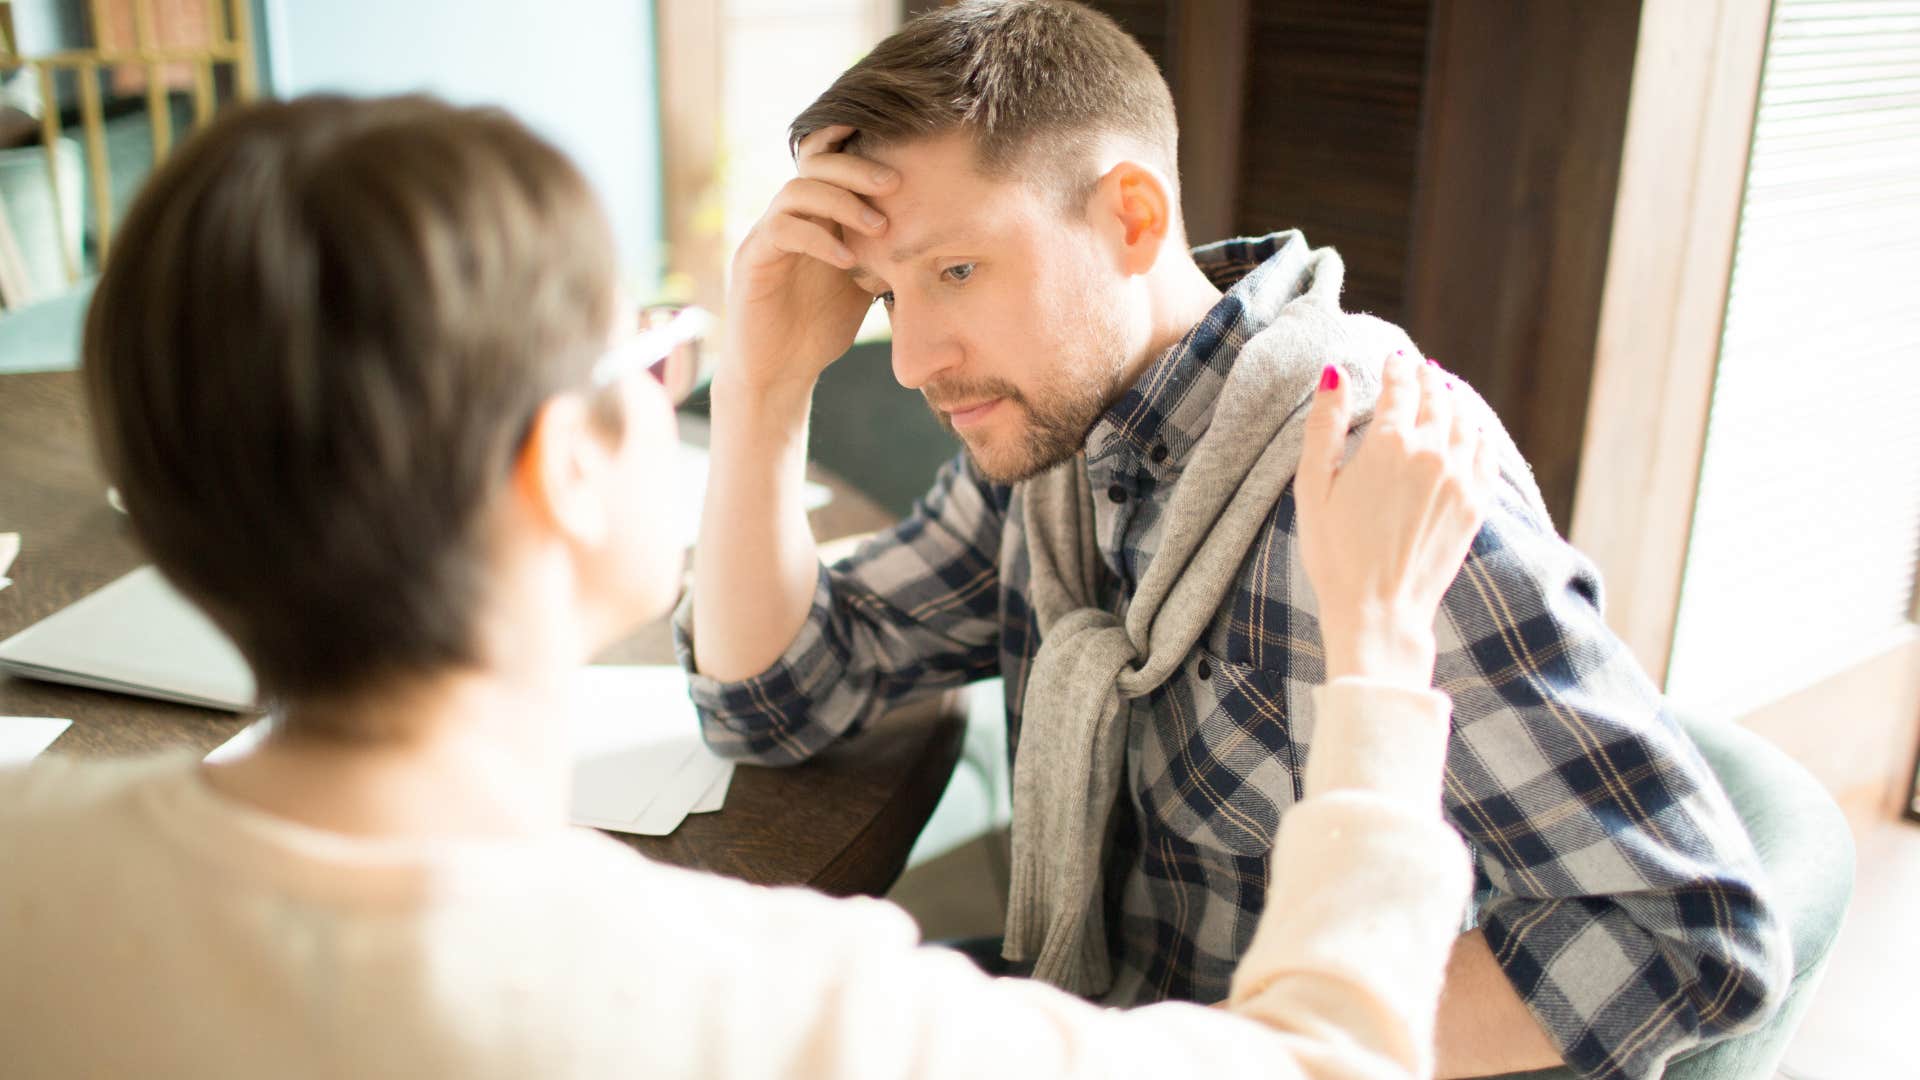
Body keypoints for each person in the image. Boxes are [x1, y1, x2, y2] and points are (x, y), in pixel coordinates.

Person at [3, 92, 1501, 1078]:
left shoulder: (29, 870)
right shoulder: (762, 1011)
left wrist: (771, 372)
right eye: (657, 364)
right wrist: (1378, 668)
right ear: (565, 466)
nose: (915, 357)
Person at [678, 3, 1789, 1078]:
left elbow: (1693, 935)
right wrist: (767, 388)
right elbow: (774, 697)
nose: (913, 357)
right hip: (1110, 1027)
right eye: (884, 293)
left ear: (1131, 217)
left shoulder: (1371, 485)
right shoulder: (1062, 447)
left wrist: (1272, 1052)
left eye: (955, 270)